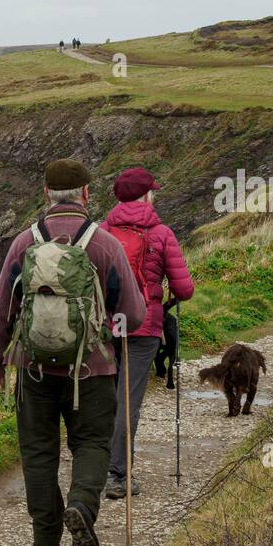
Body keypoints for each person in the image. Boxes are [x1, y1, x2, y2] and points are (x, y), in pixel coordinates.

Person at [0, 159, 146, 546]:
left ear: (45, 195)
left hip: (34, 370)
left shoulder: (25, 242)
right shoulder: (104, 243)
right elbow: (135, 314)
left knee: (38, 453)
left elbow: (0, 310)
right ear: (87, 194)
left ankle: (45, 542)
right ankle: (82, 508)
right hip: (92, 370)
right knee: (91, 443)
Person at [100, 168, 195, 499]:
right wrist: (167, 295)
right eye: (151, 191)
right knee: (130, 400)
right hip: (144, 326)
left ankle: (98, 465)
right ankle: (116, 475)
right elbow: (185, 289)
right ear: (145, 196)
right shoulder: (162, 233)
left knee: (108, 397)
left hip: (108, 324)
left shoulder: (102, 231)